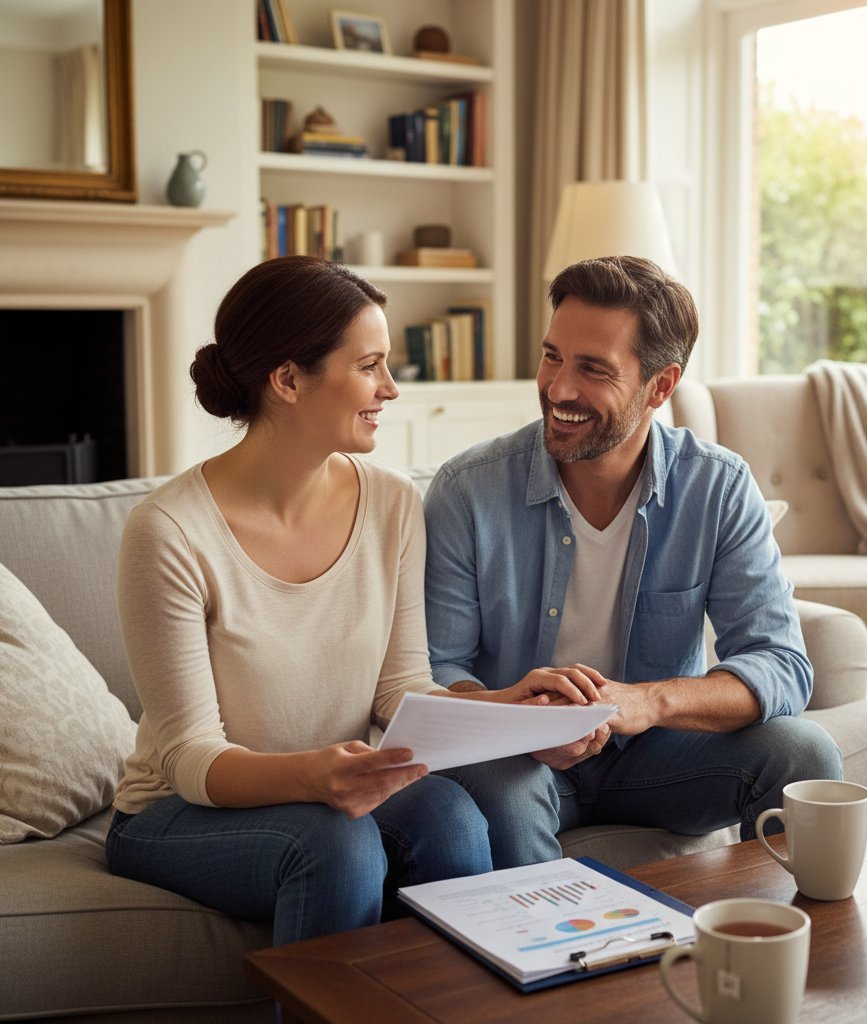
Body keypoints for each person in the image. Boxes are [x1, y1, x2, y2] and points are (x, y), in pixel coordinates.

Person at [105, 255, 597, 945]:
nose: (391, 389)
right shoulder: (170, 531)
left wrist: (514, 704)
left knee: (452, 818)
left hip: (334, 785)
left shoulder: (392, 502)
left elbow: (402, 689)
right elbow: (190, 758)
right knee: (339, 846)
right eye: (369, 365)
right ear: (287, 380)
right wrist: (313, 775)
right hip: (180, 811)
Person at [423, 255, 844, 868]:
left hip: (659, 756)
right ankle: (553, 958)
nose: (559, 388)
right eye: (552, 357)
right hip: (514, 760)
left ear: (660, 386)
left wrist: (646, 704)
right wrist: (519, 715)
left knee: (804, 755)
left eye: (593, 369)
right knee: (503, 794)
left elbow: (781, 664)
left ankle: (761, 947)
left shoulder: (718, 488)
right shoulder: (467, 490)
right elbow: (437, 668)